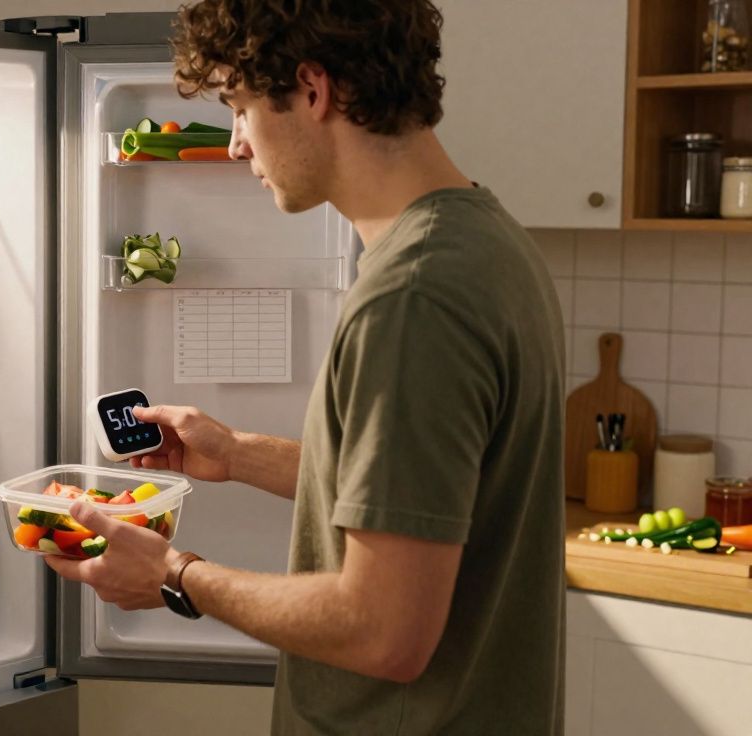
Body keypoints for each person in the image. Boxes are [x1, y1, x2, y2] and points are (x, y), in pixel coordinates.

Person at [44, 0, 566, 733]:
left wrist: (174, 575)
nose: (235, 146)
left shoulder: (414, 298)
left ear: (314, 91)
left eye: (241, 109)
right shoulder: (484, 240)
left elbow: (382, 630)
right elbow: (430, 499)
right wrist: (239, 455)